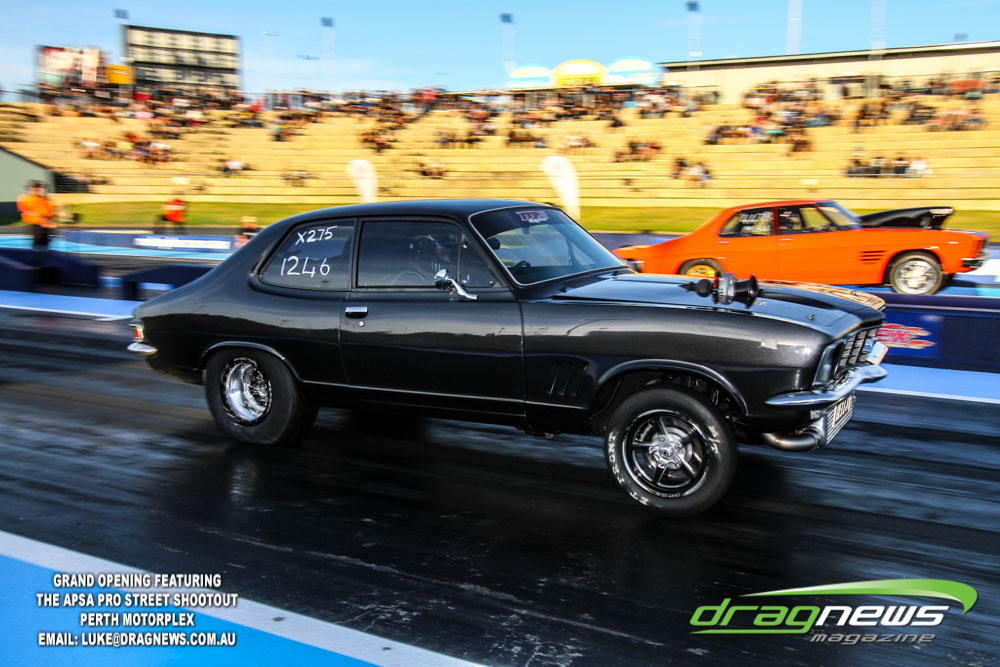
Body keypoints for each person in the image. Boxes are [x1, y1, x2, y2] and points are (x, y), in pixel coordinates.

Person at [16, 180, 56, 249]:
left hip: (45, 226)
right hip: (37, 225)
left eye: (40, 187)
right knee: (38, 245)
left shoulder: (46, 200)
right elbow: (27, 212)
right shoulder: (28, 198)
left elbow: (50, 213)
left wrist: (50, 222)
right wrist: (45, 220)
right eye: (36, 187)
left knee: (43, 245)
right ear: (32, 188)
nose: (39, 189)